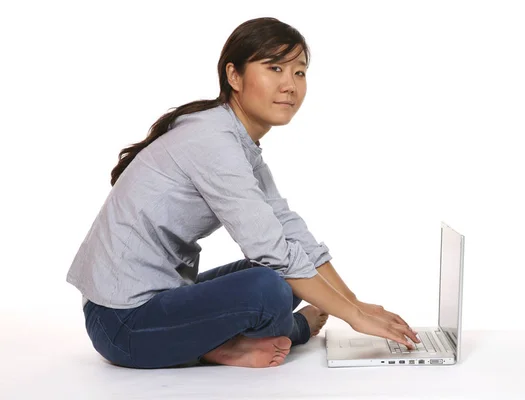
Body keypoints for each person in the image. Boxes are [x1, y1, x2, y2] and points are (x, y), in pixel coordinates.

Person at [66, 17, 420, 369]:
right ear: (234, 76)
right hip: (120, 322)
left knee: (283, 274)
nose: (290, 85)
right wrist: (352, 317)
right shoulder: (212, 140)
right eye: (275, 68)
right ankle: (268, 336)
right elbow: (269, 248)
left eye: (299, 72)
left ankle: (218, 344)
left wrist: (353, 303)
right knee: (269, 287)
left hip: (164, 299)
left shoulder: (236, 140)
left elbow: (287, 228)